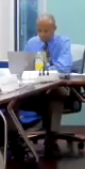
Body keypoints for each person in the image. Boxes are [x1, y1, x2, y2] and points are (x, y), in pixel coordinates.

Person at [21, 14, 74, 158]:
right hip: (35, 88)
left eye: (46, 30)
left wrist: (44, 69)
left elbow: (64, 68)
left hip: (56, 87)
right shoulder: (32, 43)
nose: (42, 34)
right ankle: (15, 138)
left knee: (56, 94)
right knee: (15, 97)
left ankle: (52, 139)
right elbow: (24, 67)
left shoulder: (63, 42)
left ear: (54, 29)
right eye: (39, 30)